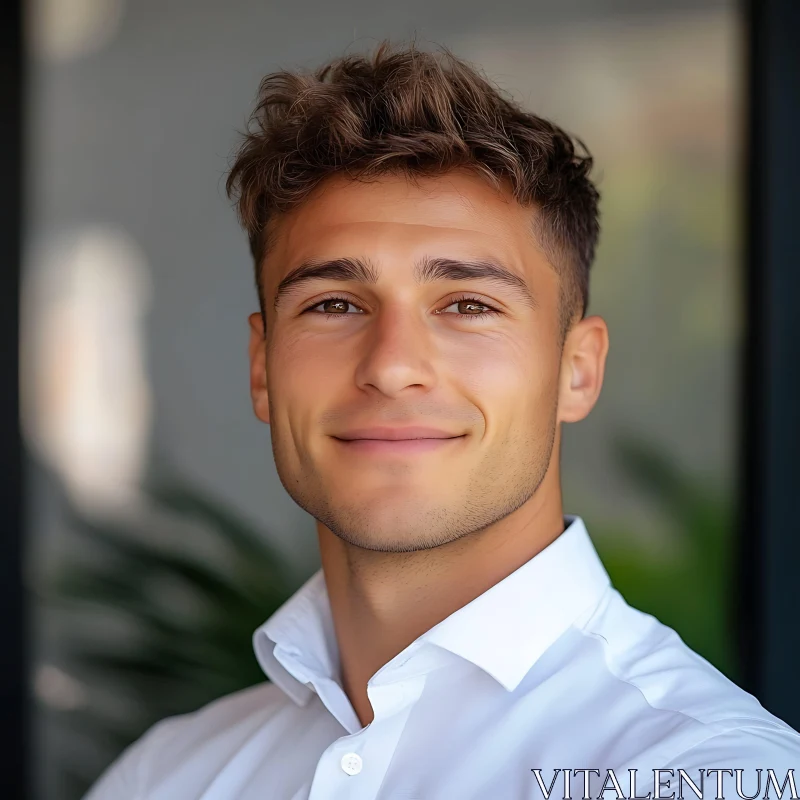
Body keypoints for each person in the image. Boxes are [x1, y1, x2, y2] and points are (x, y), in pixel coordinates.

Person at [85, 40, 800, 800]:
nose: (392, 364)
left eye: (468, 306)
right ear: (263, 368)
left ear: (577, 369)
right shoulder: (165, 776)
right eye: (333, 305)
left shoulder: (706, 775)